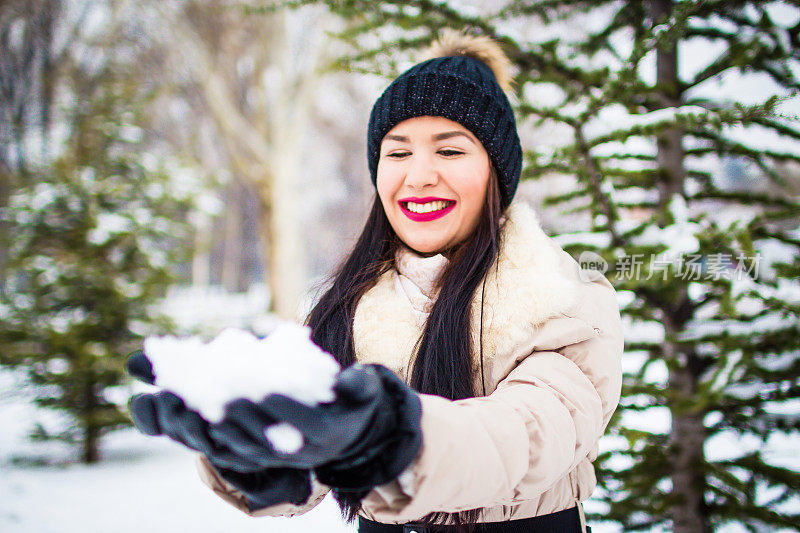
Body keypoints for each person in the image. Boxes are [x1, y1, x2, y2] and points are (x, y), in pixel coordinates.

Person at [127, 28, 623, 533]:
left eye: (450, 152)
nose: (419, 175)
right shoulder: (343, 307)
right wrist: (256, 457)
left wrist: (394, 439)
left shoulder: (564, 299)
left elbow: (531, 431)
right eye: (398, 152)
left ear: (497, 172)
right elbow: (309, 467)